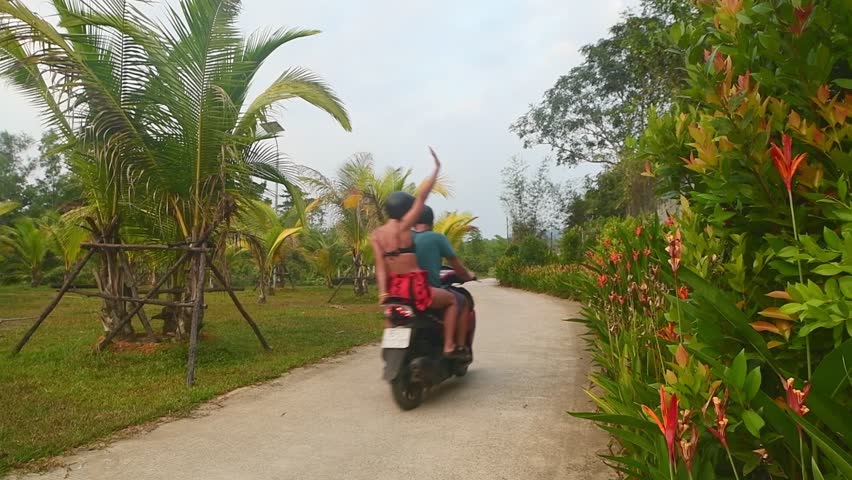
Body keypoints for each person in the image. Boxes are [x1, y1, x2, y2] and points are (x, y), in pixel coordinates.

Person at [370, 148, 466, 359]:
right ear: (406, 210)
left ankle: (389, 349)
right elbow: (423, 195)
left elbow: (380, 266)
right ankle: (449, 345)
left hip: (394, 290)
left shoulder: (376, 236)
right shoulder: (404, 227)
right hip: (415, 287)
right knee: (451, 301)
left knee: (392, 316)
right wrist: (436, 169)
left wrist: (383, 293)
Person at [413, 206, 475, 352]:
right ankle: (455, 346)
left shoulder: (405, 238)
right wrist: (468, 276)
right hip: (427, 291)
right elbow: (458, 267)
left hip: (402, 291)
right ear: (432, 222)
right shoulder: (437, 238)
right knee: (460, 301)